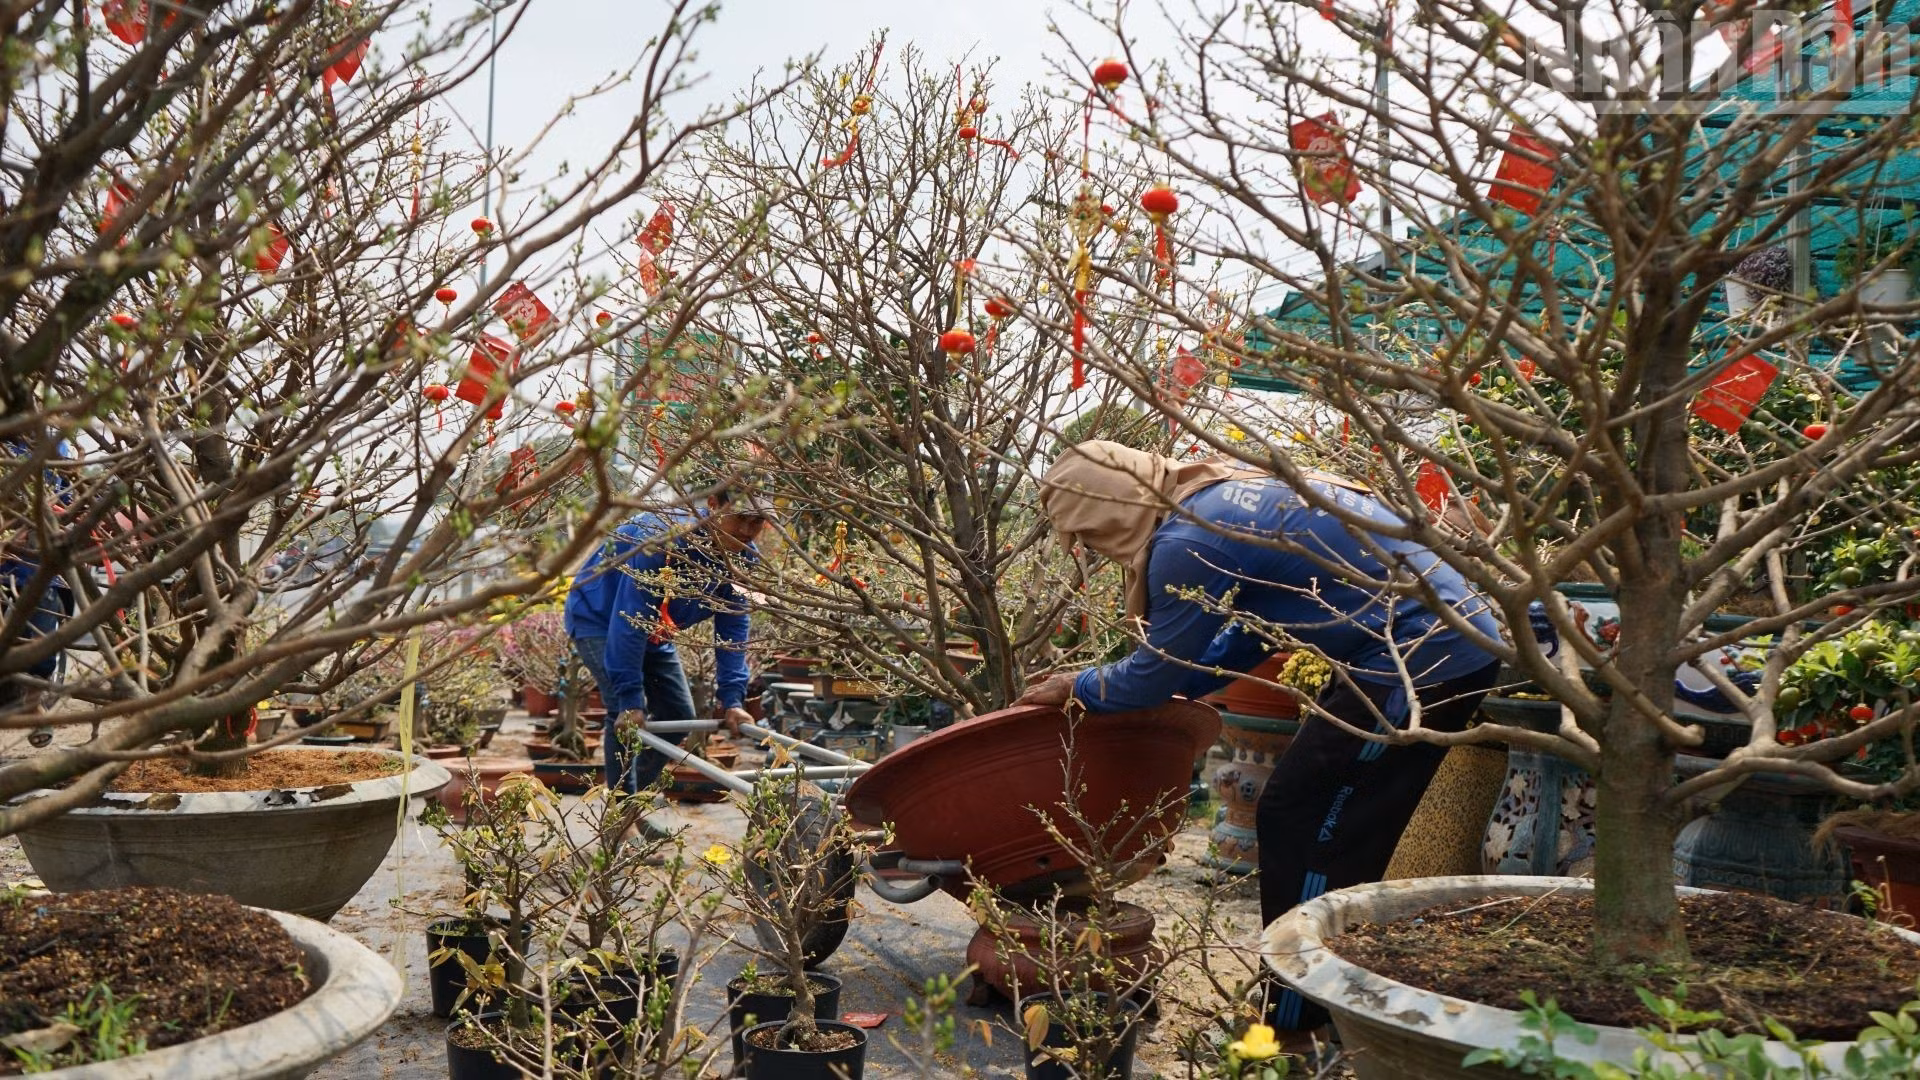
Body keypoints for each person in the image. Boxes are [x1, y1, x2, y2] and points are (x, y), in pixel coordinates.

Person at [1017, 440, 1504, 1051]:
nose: (1090, 550)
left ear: (1106, 509)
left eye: (1086, 537)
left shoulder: (1186, 542)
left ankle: (1300, 1021)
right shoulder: (1214, 499)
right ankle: (1320, 997)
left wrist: (1078, 685)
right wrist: (1179, 686)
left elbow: (1151, 675)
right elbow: (1243, 638)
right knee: (1334, 820)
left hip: (1420, 659)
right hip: (1422, 647)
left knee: (1311, 820)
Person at [564, 488, 773, 828]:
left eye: (758, 522)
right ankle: (620, 821)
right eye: (740, 519)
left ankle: (631, 799)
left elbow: (733, 624)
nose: (748, 532)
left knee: (679, 715)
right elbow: (628, 619)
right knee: (624, 712)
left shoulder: (745, 558)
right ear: (712, 506)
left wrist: (733, 698)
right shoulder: (662, 542)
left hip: (655, 627)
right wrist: (631, 698)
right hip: (599, 617)